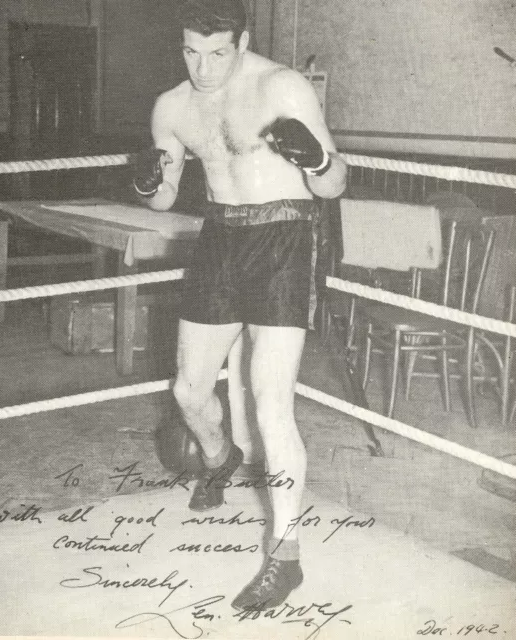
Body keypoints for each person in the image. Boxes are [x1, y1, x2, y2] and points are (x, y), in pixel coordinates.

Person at [133, 0, 347, 610]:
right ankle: (219, 458)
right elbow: (166, 194)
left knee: (268, 398)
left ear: (243, 38)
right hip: (220, 237)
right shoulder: (172, 106)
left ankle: (286, 556)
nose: (203, 68)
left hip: (286, 236)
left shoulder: (283, 86)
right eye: (190, 53)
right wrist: (151, 183)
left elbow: (336, 182)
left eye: (218, 53)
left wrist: (319, 160)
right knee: (188, 393)